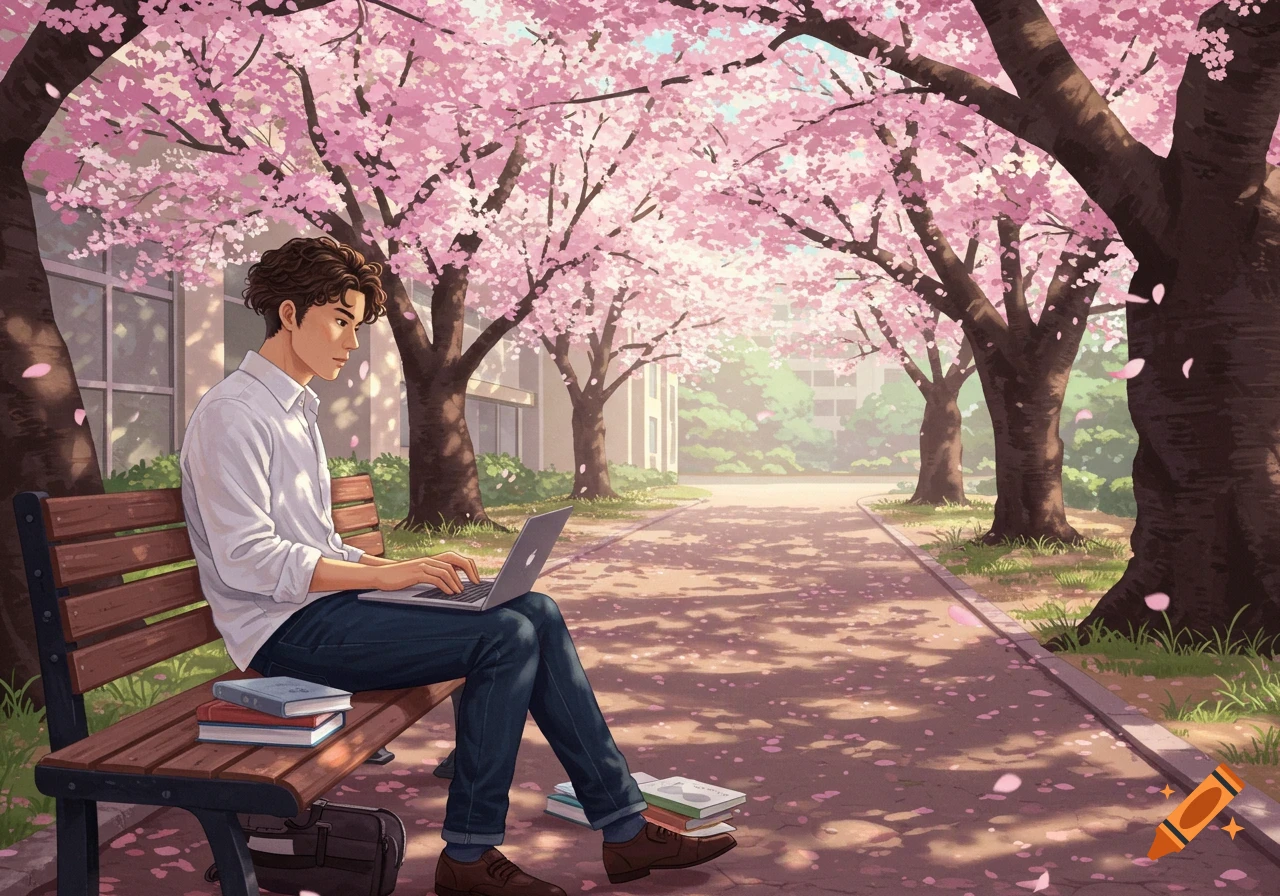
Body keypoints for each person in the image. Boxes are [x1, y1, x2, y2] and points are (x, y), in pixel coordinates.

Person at [179, 236, 735, 896]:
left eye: (356, 326)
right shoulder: (234, 415)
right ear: (291, 314)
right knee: (504, 637)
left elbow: (314, 542)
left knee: (533, 609)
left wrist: (406, 567)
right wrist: (383, 577)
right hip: (282, 635)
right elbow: (249, 560)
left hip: (322, 611)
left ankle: (623, 827)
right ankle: (468, 857)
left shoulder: (294, 411)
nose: (350, 343)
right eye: (340, 322)